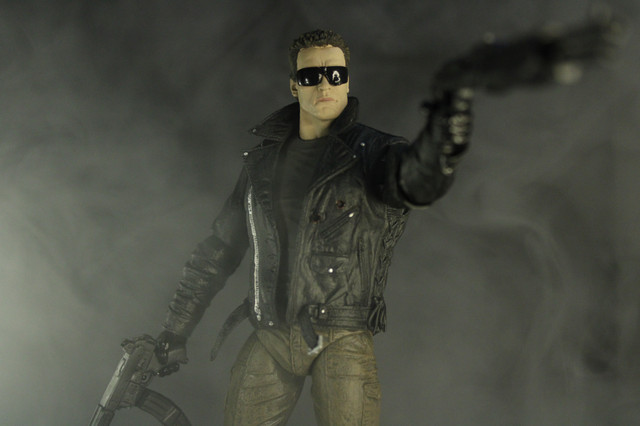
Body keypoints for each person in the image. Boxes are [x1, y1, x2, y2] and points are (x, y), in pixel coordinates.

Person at [154, 29, 472, 425]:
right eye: (310, 76)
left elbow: (417, 181)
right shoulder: (263, 161)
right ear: (294, 85)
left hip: (341, 336)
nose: (324, 85)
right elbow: (219, 248)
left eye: (335, 75)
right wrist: (176, 329)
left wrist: (445, 142)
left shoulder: (376, 153)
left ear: (347, 82)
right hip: (270, 331)